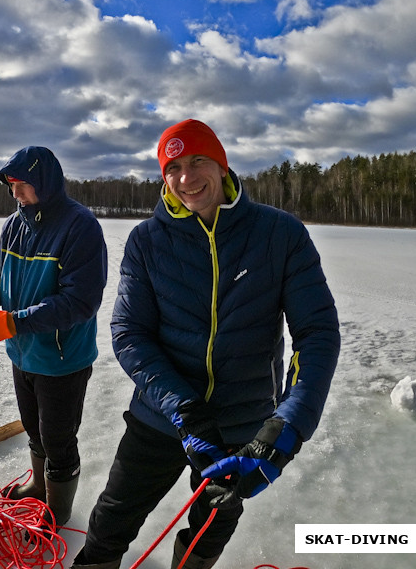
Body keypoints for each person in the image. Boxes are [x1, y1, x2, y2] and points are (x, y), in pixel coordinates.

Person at [70, 119, 340, 569]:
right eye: (172, 167)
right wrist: (183, 408)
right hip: (161, 416)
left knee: (212, 527)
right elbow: (130, 333)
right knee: (111, 521)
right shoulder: (147, 241)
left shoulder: (281, 235)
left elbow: (317, 334)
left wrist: (287, 426)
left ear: (222, 164)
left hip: (241, 426)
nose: (186, 178)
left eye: (197, 161)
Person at [0, 145, 108, 527]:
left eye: (23, 184)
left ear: (45, 183)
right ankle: (37, 486)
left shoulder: (80, 226)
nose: (16, 193)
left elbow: (80, 301)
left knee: (58, 441)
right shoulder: (14, 225)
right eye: (11, 185)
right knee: (34, 430)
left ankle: (56, 513)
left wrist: (14, 322)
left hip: (62, 359)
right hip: (23, 354)